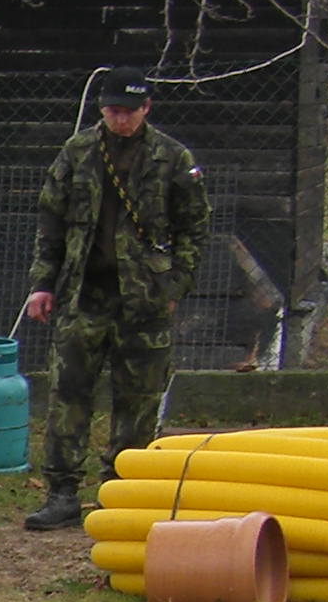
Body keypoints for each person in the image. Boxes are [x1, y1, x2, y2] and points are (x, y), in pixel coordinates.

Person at [19, 69, 210, 531]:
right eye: (110, 111)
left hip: (144, 298)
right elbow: (51, 222)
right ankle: (62, 493)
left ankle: (122, 489)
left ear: (146, 109)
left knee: (138, 400)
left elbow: (194, 225)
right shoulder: (79, 151)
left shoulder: (171, 157)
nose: (118, 119)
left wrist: (175, 287)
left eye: (127, 111)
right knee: (68, 394)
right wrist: (42, 284)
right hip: (83, 293)